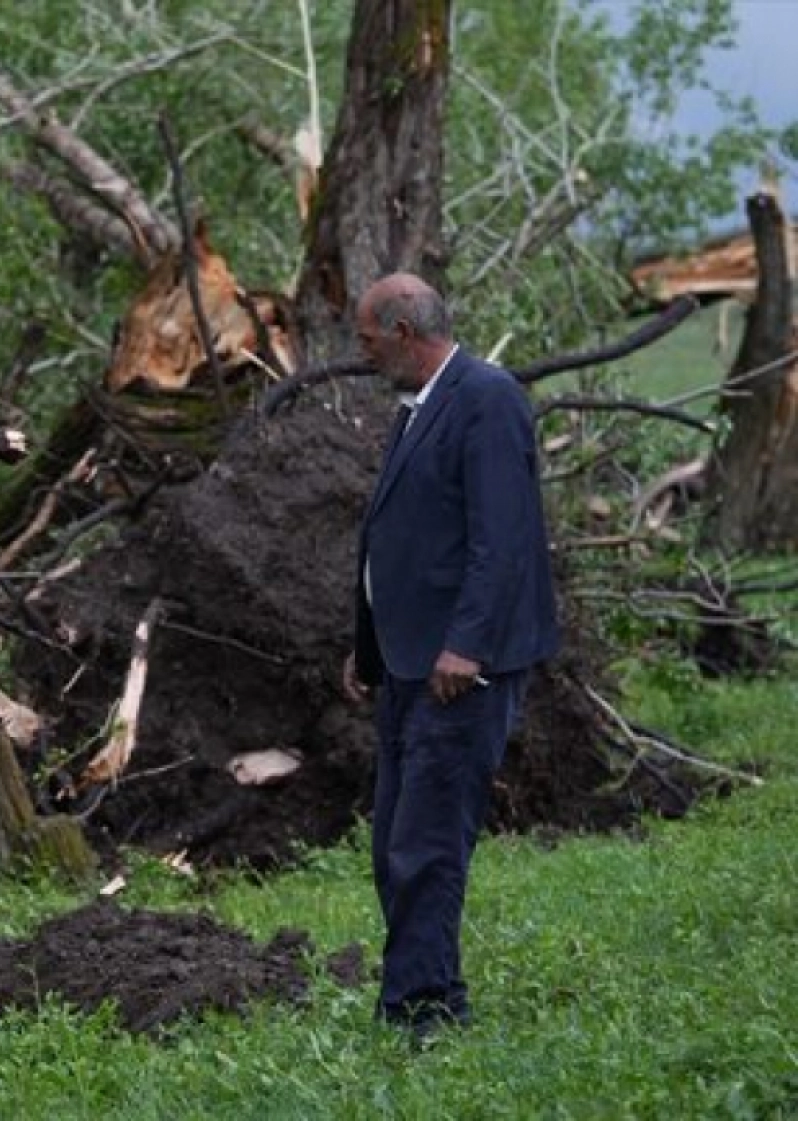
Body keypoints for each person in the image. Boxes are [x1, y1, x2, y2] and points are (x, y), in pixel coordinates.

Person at [339, 272, 560, 1040]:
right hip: (408, 661)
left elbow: (504, 538)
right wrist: (368, 645)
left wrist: (467, 644)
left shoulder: (486, 398)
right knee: (394, 843)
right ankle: (424, 990)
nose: (363, 354)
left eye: (368, 339)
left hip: (461, 668)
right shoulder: (420, 407)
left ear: (404, 331)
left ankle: (424, 1011)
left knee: (426, 844)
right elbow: (402, 538)